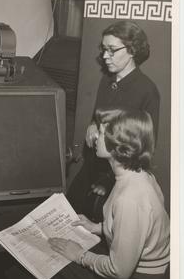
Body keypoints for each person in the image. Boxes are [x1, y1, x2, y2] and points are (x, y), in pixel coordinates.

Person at [7, 108, 169, 279]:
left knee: (49, 260)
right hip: (136, 269)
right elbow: (139, 229)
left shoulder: (130, 199)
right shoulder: (138, 175)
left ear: (117, 145)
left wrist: (80, 256)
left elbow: (120, 271)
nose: (94, 136)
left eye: (100, 133)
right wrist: (97, 228)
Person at [68, 20, 160, 219]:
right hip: (92, 165)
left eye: (112, 50)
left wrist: (109, 181)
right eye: (104, 49)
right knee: (69, 210)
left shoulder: (147, 91)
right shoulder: (107, 80)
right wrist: (93, 124)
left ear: (132, 50)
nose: (105, 56)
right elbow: (102, 116)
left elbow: (145, 148)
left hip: (118, 177)